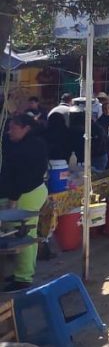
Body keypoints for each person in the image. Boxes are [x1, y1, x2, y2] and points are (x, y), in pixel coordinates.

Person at [0, 114, 49, 290]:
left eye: (13, 127)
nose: (9, 131)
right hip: (30, 192)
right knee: (22, 233)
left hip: (26, 194)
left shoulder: (30, 146)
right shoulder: (27, 143)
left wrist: (13, 198)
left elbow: (23, 176)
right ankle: (22, 273)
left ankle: (23, 278)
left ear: (25, 128)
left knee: (22, 235)